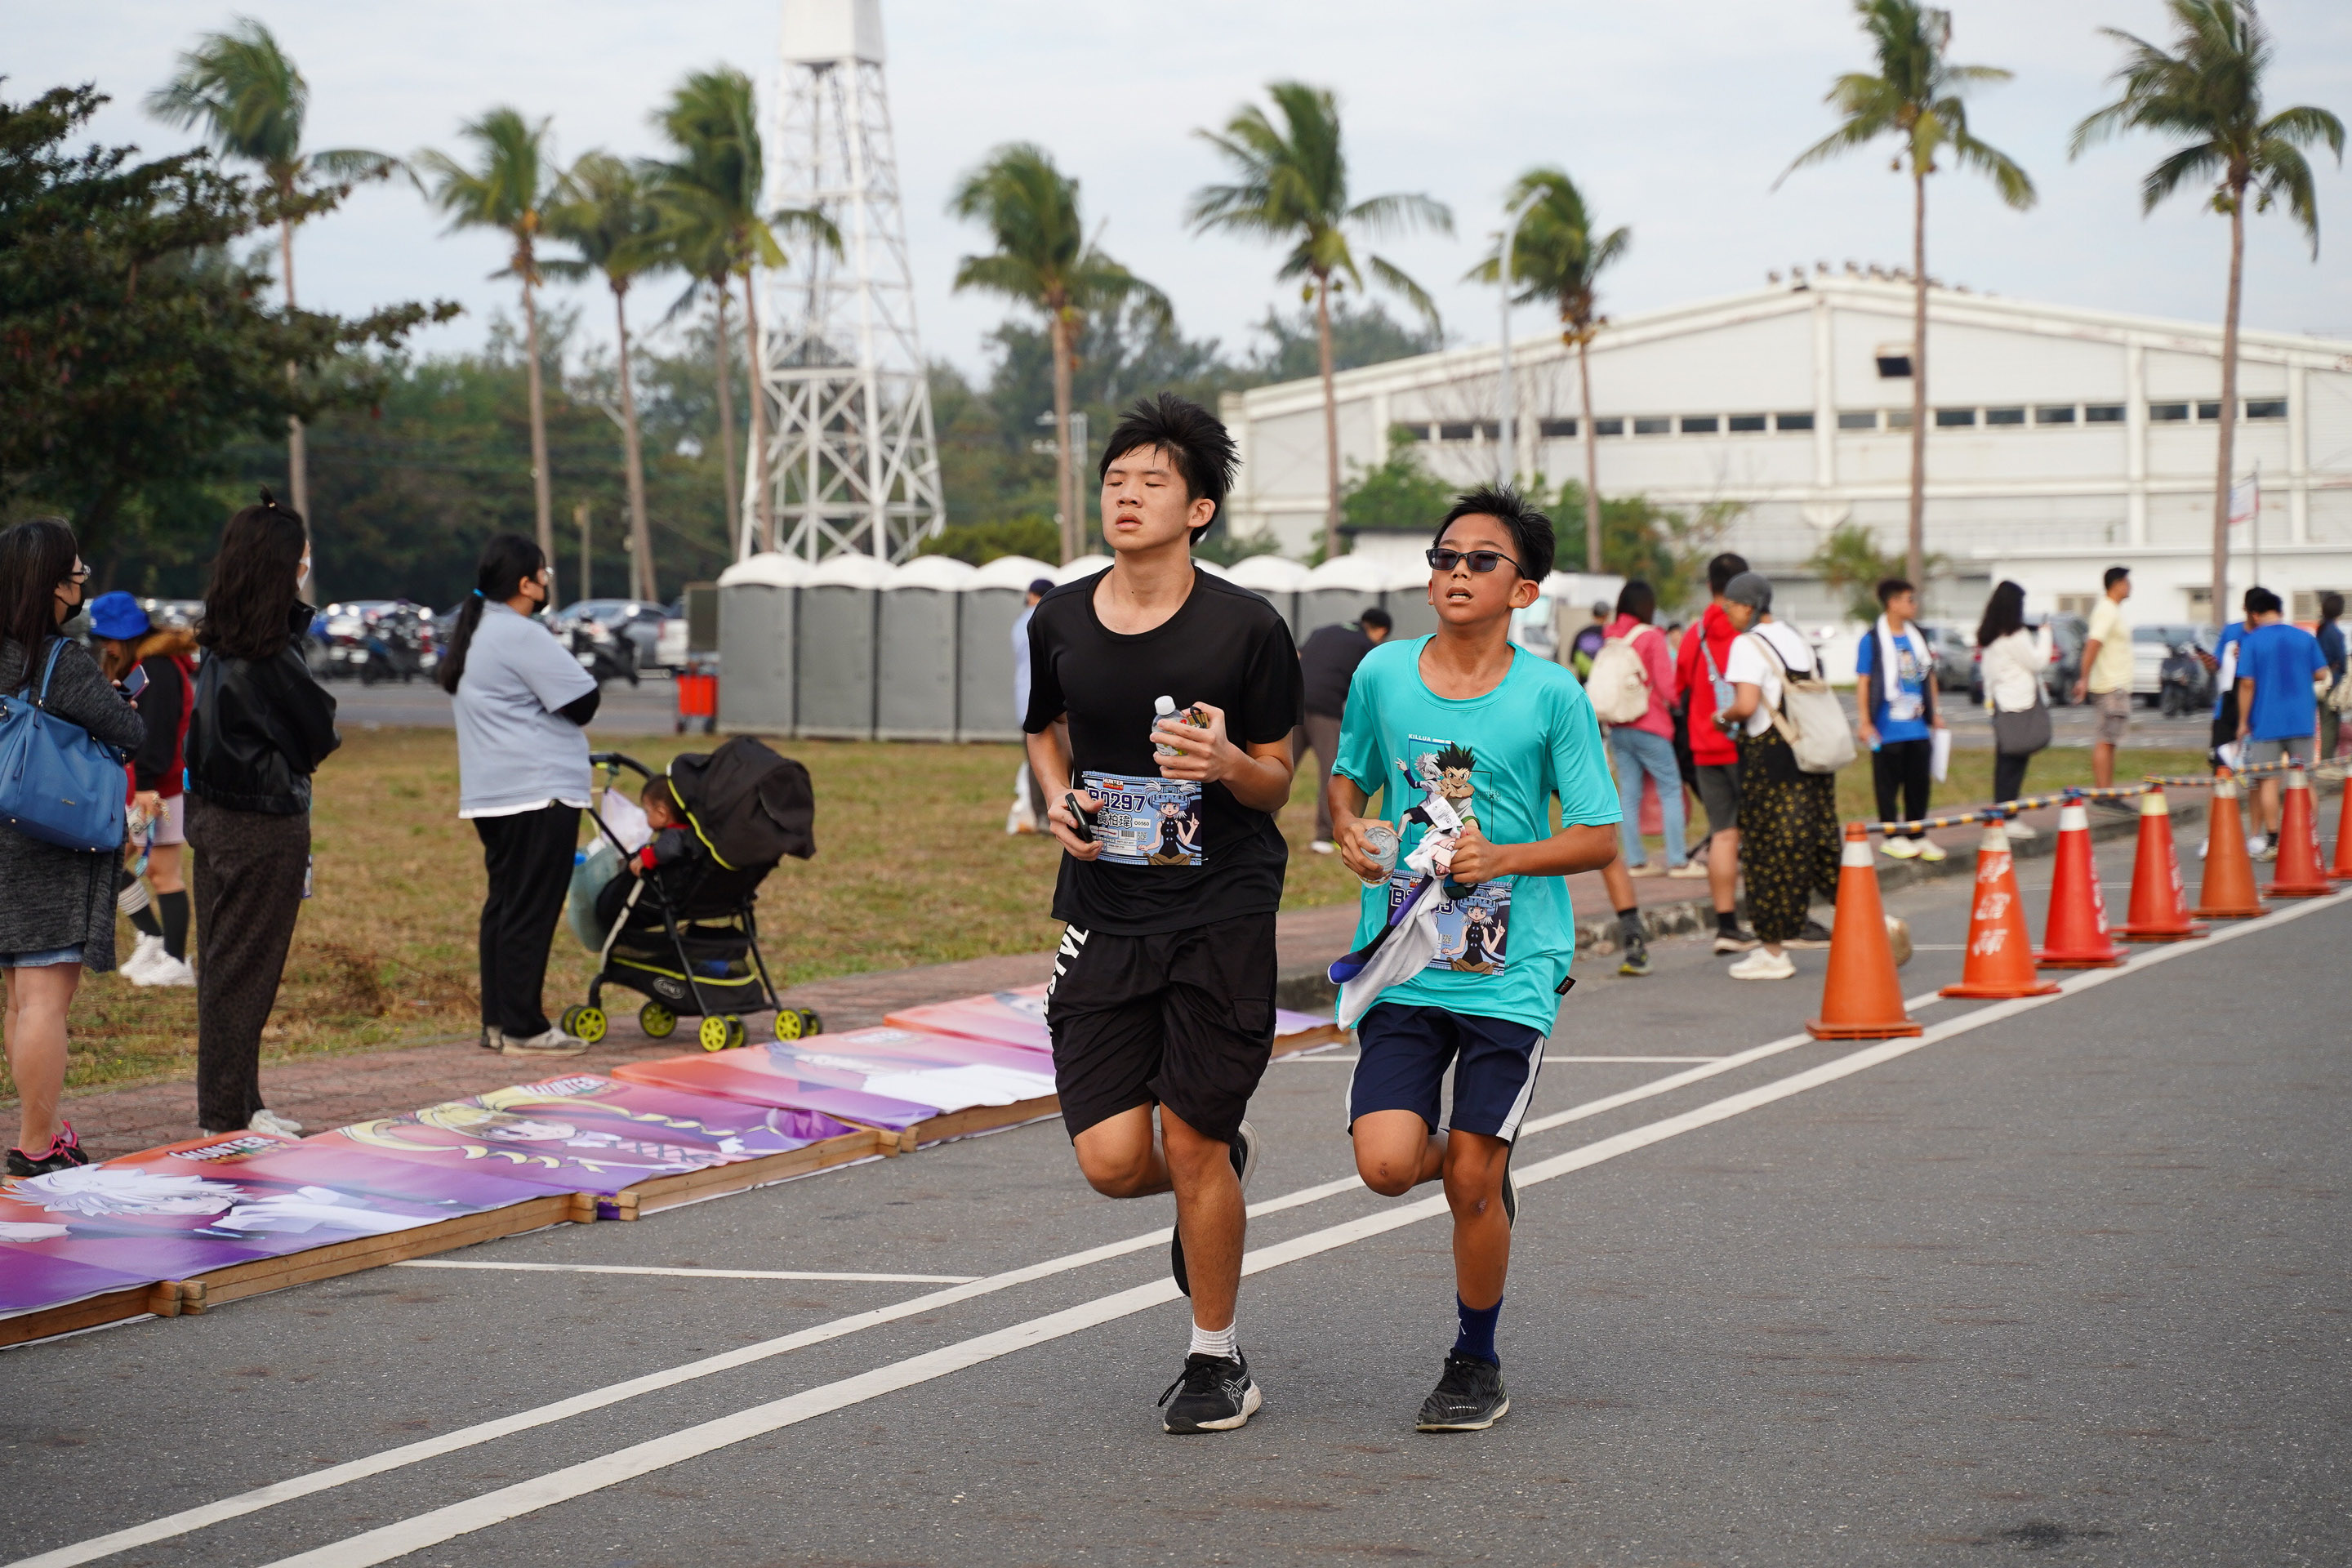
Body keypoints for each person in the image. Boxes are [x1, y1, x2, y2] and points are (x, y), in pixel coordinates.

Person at [1023, 393, 1303, 1434]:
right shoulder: (1058, 618)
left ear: (1200, 510)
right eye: (1115, 480)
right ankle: (1219, 1167)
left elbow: (1277, 780)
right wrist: (1056, 797)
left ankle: (1215, 1358)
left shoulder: (1246, 627)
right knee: (1110, 1163)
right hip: (1106, 908)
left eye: (1152, 482)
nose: (1127, 496)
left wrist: (1227, 763)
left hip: (1221, 908)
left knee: (1188, 1139)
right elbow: (1044, 727)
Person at [1329, 485, 1619, 1432]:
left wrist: (1505, 858)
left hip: (1511, 966)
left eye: (1480, 560)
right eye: (1444, 557)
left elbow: (1599, 836)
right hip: (1406, 960)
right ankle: (1477, 1163)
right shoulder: (1382, 673)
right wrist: (1349, 829)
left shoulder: (1551, 694)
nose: (1456, 572)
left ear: (1523, 590)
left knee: (1468, 1185)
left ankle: (1474, 1361)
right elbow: (1347, 778)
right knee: (1385, 1166)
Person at [185, 490, 341, 1138]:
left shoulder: (220, 642)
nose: (307, 563)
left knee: (226, 964)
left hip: (210, 816)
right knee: (244, 971)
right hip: (263, 822)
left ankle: (242, 1102)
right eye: (302, 554)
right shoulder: (273, 655)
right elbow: (319, 733)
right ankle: (226, 1116)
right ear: (282, 566)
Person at [0, 520, 144, 1175]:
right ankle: (36, 1145)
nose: (82, 581)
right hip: (48, 840)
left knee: (18, 999)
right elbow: (129, 733)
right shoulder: (61, 660)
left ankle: (46, 1130)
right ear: (53, 585)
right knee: (44, 1002)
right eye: (76, 572)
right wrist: (117, 705)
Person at [443, 533, 601, 1058]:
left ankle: (498, 1021)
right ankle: (524, 1028)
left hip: (493, 793)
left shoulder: (477, 628)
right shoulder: (519, 632)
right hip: (540, 791)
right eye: (543, 573)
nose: (548, 581)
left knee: (506, 905)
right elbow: (583, 702)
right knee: (531, 910)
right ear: (526, 584)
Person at [1718, 572, 1838, 981]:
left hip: (1770, 761)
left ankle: (1772, 951)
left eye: (1731, 606)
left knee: (1765, 851)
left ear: (1747, 606)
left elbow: (1746, 704)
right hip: (1809, 751)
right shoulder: (1793, 636)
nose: (1728, 613)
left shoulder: (1746, 644)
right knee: (1820, 844)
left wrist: (1723, 717)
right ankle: (1871, 925)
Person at [89, 592, 200, 985]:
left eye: (109, 638)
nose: (105, 646)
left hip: (158, 789)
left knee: (163, 873)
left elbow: (158, 733)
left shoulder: (157, 668)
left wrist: (147, 785)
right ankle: (153, 938)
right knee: (109, 861)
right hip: (141, 786)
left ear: (127, 635)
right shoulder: (144, 666)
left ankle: (176, 960)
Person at [1673, 551, 1758, 952]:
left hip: (1705, 747)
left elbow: (1680, 687)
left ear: (1710, 586)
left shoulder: (1696, 633)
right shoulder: (1751, 633)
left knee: (1723, 834)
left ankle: (1726, 927)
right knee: (1758, 834)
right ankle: (1768, 920)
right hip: (1747, 746)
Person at [1597, 580, 1699, 881]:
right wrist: (1682, 703)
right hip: (1650, 724)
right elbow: (1667, 687)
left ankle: (1637, 861)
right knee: (1670, 789)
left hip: (1618, 727)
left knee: (1629, 792)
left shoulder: (1612, 637)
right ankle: (1678, 861)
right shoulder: (1652, 637)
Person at [1855, 577, 1948, 862]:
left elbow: (1928, 675)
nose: (1914, 605)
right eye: (1909, 600)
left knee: (1918, 784)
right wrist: (1865, 722)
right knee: (1887, 784)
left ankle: (1917, 834)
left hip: (1917, 725)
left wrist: (1936, 713)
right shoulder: (1872, 640)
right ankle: (1892, 836)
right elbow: (1864, 682)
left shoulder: (1917, 636)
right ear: (1893, 603)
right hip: (1887, 727)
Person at [2233, 586, 2328, 861]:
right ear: (2280, 611)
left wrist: (2242, 722)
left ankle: (2273, 840)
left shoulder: (2252, 641)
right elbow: (2321, 673)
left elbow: (2247, 684)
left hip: (2266, 720)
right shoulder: (2304, 637)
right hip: (2302, 718)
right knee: (2306, 780)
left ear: (2255, 614)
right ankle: (2308, 838)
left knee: (2268, 781)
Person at [1294, 607, 1392, 853]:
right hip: (1326, 709)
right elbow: (1371, 684)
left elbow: (1297, 656)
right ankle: (1324, 836)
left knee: (1280, 766)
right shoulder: (1367, 645)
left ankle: (1258, 826)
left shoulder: (1323, 631)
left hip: (1292, 704)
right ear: (1381, 631)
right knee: (1334, 773)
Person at [1976, 580, 2046, 823]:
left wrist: (1989, 704)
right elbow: (2037, 662)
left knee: (2005, 762)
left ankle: (2003, 812)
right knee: (2015, 762)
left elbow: (1988, 673)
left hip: (2000, 703)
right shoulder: (2015, 634)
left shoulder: (1990, 634)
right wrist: (2046, 635)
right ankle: (2008, 817)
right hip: (2020, 702)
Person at [2073, 565, 2132, 787]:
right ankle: (2103, 792)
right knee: (2106, 740)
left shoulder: (2113, 610)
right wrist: (2084, 678)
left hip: (2116, 686)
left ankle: (2107, 791)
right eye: (2126, 582)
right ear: (2117, 584)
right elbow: (2093, 644)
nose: (2130, 586)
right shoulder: (2106, 610)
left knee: (2111, 740)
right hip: (2110, 686)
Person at [1009, 577, 1056, 834]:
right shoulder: (1043, 620)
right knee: (1048, 759)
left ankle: (1042, 816)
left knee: (1035, 759)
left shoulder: (1020, 622)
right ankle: (1046, 816)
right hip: (1042, 700)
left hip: (1025, 700)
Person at [2317, 590, 2345, 764]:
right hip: (2333, 685)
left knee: (2326, 725)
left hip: (2321, 684)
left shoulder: (2322, 630)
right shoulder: (2334, 632)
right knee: (2330, 727)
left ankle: (2326, 762)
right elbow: (2342, 661)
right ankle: (2326, 764)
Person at [1568, 601, 1610, 682]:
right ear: (1607, 615)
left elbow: (1572, 659)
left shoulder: (1582, 633)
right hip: (1604, 681)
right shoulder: (1610, 634)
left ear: (1593, 614)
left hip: (1585, 682)